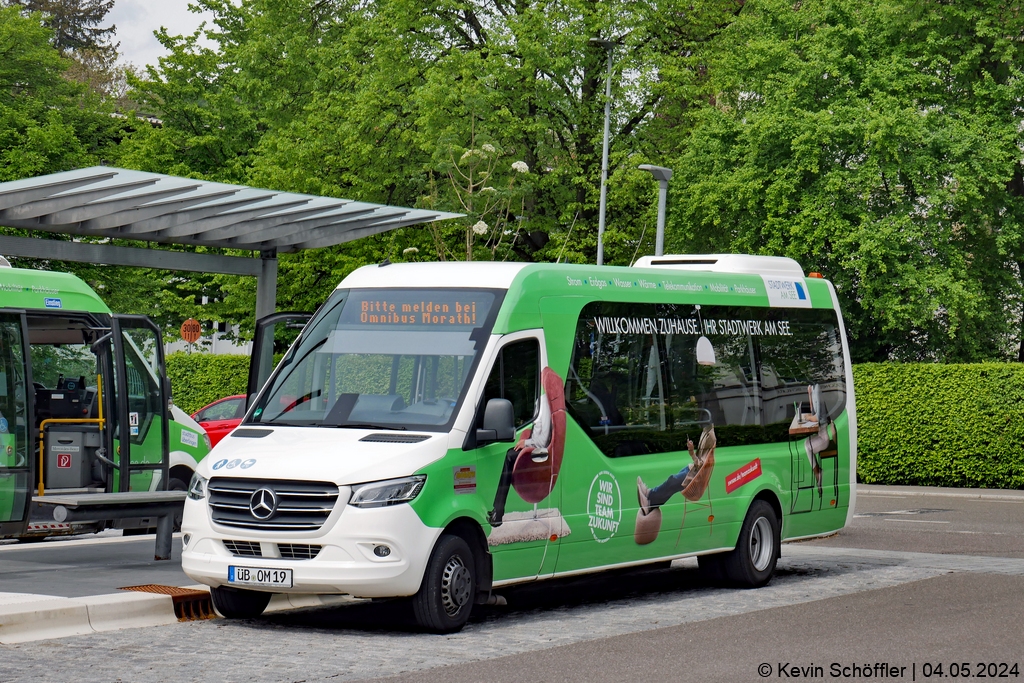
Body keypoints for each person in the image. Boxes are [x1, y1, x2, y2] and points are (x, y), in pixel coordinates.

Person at [637, 424, 716, 515]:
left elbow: (703, 464)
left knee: (673, 481)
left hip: (696, 477)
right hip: (693, 469)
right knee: (672, 482)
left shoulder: (710, 436)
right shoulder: (706, 431)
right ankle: (650, 497)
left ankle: (650, 499)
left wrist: (692, 453)